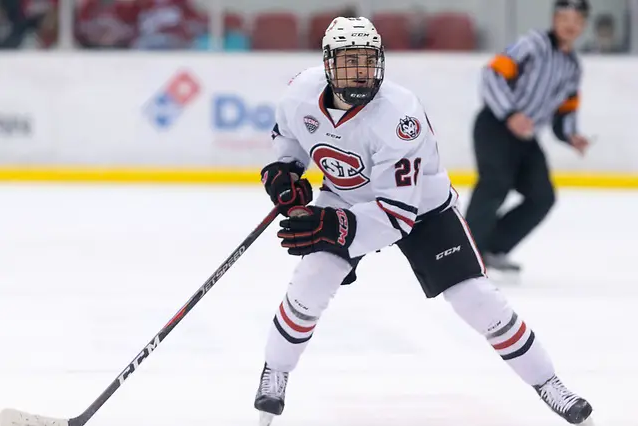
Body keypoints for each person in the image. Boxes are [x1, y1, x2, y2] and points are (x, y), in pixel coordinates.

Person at [254, 16, 593, 426]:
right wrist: (283, 169)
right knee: (310, 282)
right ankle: (276, 370)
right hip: (345, 195)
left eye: (368, 61)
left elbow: (396, 216)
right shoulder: (301, 92)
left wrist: (331, 226)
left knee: (476, 299)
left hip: (421, 208)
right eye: (349, 62)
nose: (361, 72)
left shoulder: (399, 115)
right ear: (327, 65)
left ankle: (549, 382)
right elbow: (288, 134)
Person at [464, 0, 592, 275]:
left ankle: (491, 248)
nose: (570, 25)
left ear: (583, 25)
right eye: (565, 18)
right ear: (554, 19)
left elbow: (565, 110)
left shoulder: (573, 67)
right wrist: (510, 113)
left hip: (525, 137)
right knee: (496, 182)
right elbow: (492, 73)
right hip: (495, 125)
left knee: (542, 196)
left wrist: (571, 136)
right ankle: (465, 253)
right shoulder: (533, 44)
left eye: (577, 20)